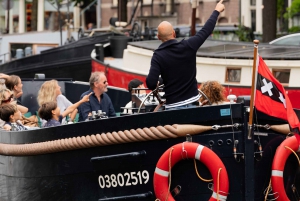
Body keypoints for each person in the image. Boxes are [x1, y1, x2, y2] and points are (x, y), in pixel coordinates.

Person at [146, 0, 225, 110]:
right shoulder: (189, 46)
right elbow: (206, 30)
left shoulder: (158, 56)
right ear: (174, 33)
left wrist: (162, 80)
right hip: (192, 105)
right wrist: (216, 10)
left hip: (172, 108)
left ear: (158, 37)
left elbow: (150, 83)